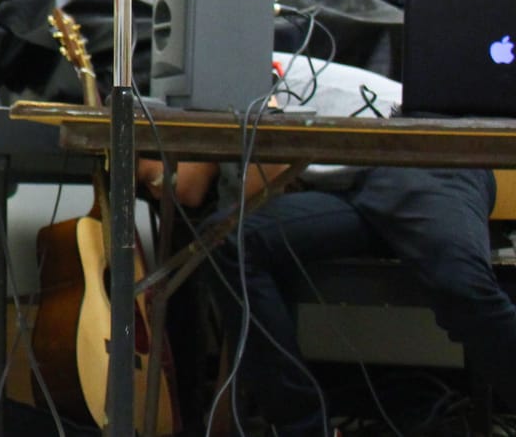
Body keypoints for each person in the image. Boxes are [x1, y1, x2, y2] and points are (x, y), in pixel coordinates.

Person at [140, 56, 516, 436]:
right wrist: (139, 160)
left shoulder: (244, 61)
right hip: (352, 185)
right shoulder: (205, 82)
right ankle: (303, 427)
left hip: (419, 157)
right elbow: (189, 188)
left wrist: (144, 163)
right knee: (228, 241)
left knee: (460, 287)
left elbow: (258, 173)